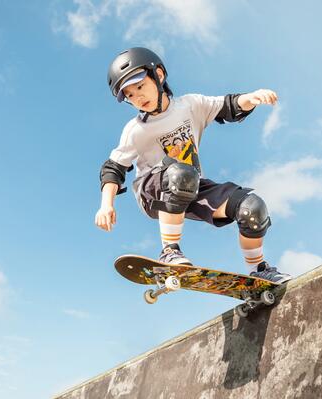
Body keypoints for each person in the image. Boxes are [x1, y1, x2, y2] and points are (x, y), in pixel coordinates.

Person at [95, 47, 291, 283]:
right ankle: (169, 251)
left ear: (158, 75)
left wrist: (251, 97)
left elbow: (228, 106)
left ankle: (258, 269)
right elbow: (113, 168)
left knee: (252, 208)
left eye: (139, 87)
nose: (138, 97)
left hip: (191, 186)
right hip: (152, 190)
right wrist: (106, 205)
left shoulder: (190, 105)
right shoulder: (135, 130)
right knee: (181, 173)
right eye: (130, 95)